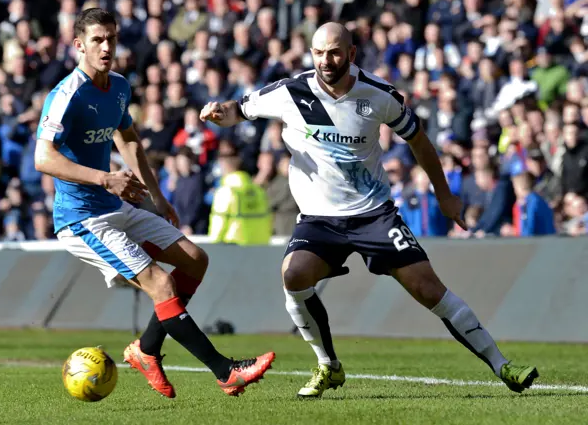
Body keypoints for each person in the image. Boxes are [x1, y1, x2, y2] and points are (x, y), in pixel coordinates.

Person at [200, 22, 538, 398]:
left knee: (429, 289)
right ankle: (328, 366)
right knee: (293, 276)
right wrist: (219, 112)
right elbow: (240, 109)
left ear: (351, 54)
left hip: (374, 214)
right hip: (319, 220)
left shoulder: (379, 95)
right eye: (318, 52)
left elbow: (420, 142)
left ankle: (502, 365)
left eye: (333, 52)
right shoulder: (290, 91)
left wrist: (444, 195)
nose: (325, 61)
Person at [34, 8, 274, 399]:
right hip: (82, 219)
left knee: (195, 259)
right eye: (97, 39)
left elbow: (127, 140)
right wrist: (105, 178)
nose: (107, 46)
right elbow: (42, 159)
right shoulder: (66, 95)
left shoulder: (119, 87)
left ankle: (146, 349)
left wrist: (157, 198)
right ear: (79, 45)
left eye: (111, 37)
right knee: (160, 283)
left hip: (117, 207)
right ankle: (226, 371)